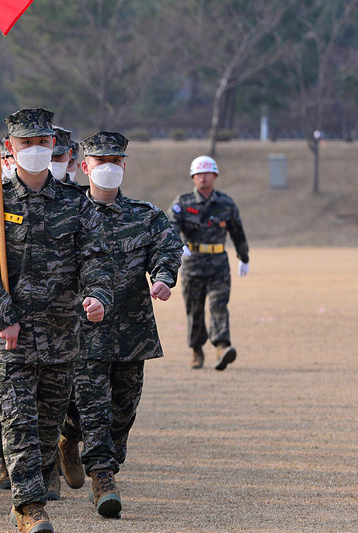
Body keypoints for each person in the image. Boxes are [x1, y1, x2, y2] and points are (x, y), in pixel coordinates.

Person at [0, 108, 112, 533]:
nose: (34, 151)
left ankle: (33, 488)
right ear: (9, 149)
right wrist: (4, 314)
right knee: (17, 421)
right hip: (10, 337)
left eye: (41, 143)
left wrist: (98, 296)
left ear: (53, 148)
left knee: (47, 427)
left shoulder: (75, 205)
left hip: (62, 336)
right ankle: (29, 507)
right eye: (25, 144)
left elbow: (96, 259)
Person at [59, 131, 182, 519]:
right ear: (85, 167)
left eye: (116, 162)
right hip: (83, 333)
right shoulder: (68, 214)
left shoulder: (144, 214)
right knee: (94, 408)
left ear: (124, 166)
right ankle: (103, 477)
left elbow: (166, 248)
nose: (109, 169)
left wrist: (163, 277)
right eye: (101, 162)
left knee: (123, 410)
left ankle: (72, 439)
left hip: (132, 331)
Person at [168, 156, 249, 370]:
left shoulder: (226, 203)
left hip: (218, 264)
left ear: (215, 176)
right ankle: (196, 349)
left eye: (207, 173)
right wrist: (179, 245)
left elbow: (237, 232)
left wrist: (244, 257)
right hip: (192, 264)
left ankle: (222, 347)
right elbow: (170, 227)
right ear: (193, 177)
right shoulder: (182, 202)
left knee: (218, 305)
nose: (203, 177)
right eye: (199, 174)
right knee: (194, 309)